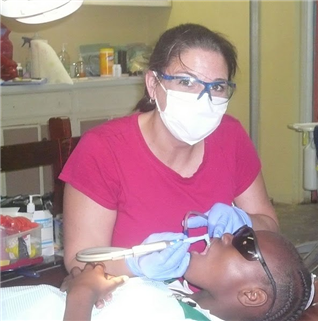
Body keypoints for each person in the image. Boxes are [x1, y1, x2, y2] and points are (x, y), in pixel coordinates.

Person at [59, 23, 278, 279]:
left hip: (218, 303)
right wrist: (134, 265)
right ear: (153, 84)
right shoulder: (104, 149)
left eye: (217, 87)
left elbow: (271, 228)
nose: (203, 99)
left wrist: (245, 221)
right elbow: (79, 260)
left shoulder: (231, 137)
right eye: (186, 82)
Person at [0, 227, 313, 321]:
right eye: (239, 230)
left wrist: (83, 295)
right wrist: (80, 285)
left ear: (251, 295)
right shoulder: (179, 293)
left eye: (246, 243)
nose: (228, 235)